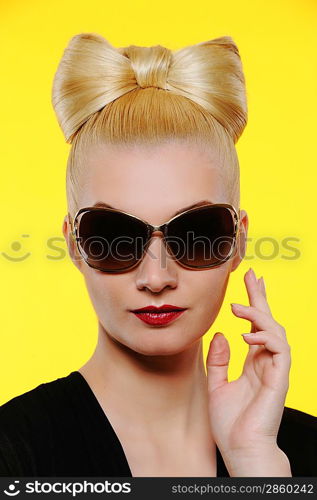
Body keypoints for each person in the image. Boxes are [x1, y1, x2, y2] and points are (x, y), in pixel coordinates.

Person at [0, 32, 316, 478]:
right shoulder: (13, 454)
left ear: (238, 241)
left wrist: (256, 468)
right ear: (74, 244)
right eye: (114, 235)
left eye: (197, 233)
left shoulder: (297, 455)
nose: (156, 277)